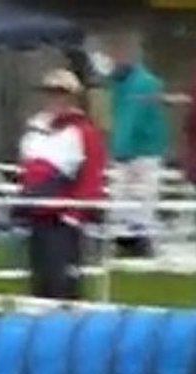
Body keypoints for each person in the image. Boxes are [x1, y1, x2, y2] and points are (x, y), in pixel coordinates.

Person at [18, 69, 106, 300]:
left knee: (62, 282)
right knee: (40, 281)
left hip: (63, 218)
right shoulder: (36, 129)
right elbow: (29, 170)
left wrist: (74, 215)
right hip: (37, 214)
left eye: (60, 93)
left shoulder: (83, 132)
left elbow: (91, 177)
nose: (54, 99)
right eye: (50, 93)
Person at [106, 33, 169, 258]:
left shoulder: (145, 83)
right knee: (122, 196)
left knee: (142, 196)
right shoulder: (117, 83)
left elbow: (133, 118)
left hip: (144, 149)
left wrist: (120, 149)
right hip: (127, 149)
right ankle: (125, 239)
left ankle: (141, 240)